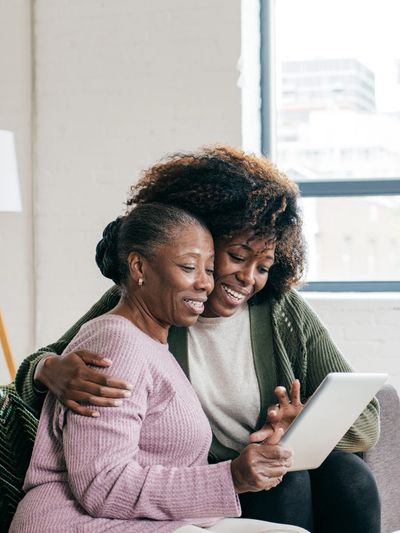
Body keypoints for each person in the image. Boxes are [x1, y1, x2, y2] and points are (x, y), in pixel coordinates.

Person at [15, 146, 380, 533]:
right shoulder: (146, 304)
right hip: (201, 479)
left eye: (263, 267)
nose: (248, 278)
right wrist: (48, 370)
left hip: (260, 465)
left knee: (350, 478)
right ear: (205, 240)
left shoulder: (280, 310)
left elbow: (367, 421)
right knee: (287, 484)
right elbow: (54, 362)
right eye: (236, 257)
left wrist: (303, 422)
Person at [11, 202, 309, 533]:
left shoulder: (152, 344)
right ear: (139, 267)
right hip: (75, 522)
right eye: (188, 267)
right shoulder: (116, 345)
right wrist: (232, 477)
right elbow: (102, 485)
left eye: (209, 270)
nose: (205, 285)